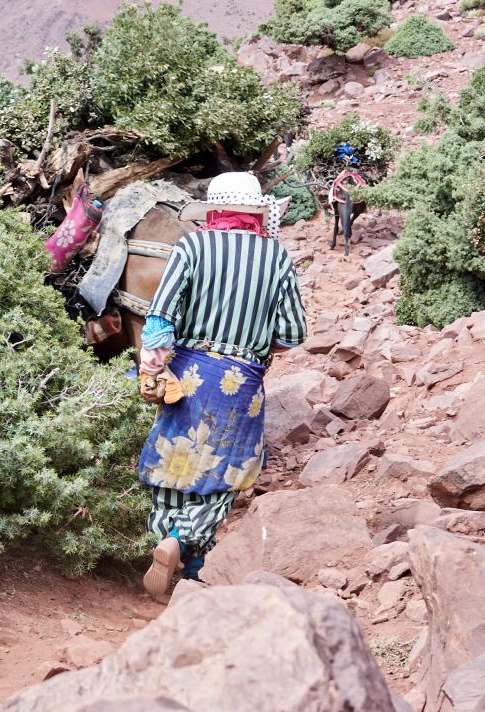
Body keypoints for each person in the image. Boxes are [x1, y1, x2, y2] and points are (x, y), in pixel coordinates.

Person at [136, 172, 308, 596]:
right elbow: (292, 334)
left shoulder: (192, 245)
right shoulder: (277, 257)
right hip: (243, 380)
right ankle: (192, 562)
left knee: (175, 462)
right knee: (224, 470)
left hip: (190, 370)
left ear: (212, 210)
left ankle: (168, 536)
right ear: (254, 212)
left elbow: (160, 317)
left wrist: (155, 363)